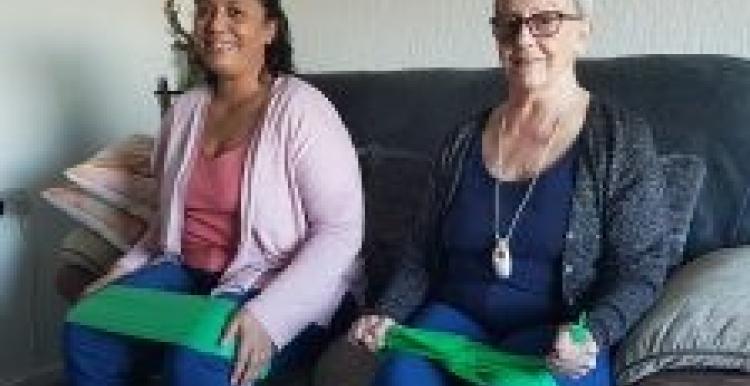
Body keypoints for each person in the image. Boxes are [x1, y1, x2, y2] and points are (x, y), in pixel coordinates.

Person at [350, 0, 669, 385]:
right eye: (509, 23)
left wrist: (594, 333)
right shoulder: (463, 138)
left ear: (582, 33)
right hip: (453, 322)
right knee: (397, 377)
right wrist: (389, 313)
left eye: (545, 21)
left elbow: (640, 269)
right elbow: (420, 253)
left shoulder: (620, 139)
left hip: (554, 338)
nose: (523, 38)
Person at [63, 1, 363, 385]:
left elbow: (340, 232)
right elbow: (166, 221)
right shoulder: (184, 112)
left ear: (270, 30)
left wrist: (270, 317)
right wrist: (121, 271)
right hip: (187, 270)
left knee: (195, 361)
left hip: (281, 282)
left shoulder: (304, 110)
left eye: (235, 12)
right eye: (205, 10)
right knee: (87, 326)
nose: (215, 24)